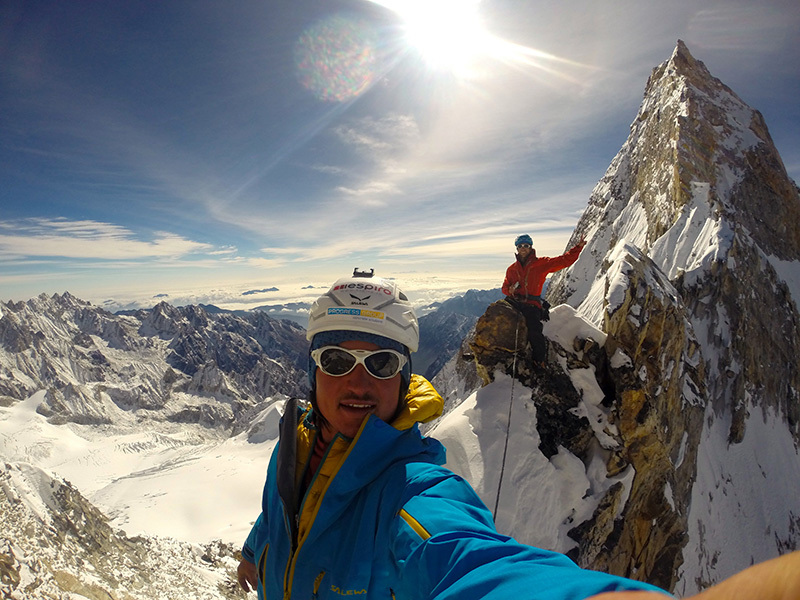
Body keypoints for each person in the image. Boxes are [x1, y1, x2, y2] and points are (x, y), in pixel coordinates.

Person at [236, 270, 673, 599]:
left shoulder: (414, 498)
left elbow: (472, 566)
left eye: (382, 363)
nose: (357, 382)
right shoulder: (292, 448)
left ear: (405, 379)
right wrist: (257, 550)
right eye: (335, 360)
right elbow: (287, 508)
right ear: (312, 372)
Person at [502, 234, 585, 368]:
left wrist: (578, 248)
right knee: (497, 313)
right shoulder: (512, 269)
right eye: (520, 246)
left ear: (531, 247)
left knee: (534, 330)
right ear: (517, 248)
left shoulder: (541, 264)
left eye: (526, 245)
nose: (523, 248)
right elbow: (504, 288)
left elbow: (564, 261)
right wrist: (509, 290)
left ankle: (539, 360)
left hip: (532, 305)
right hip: (515, 301)